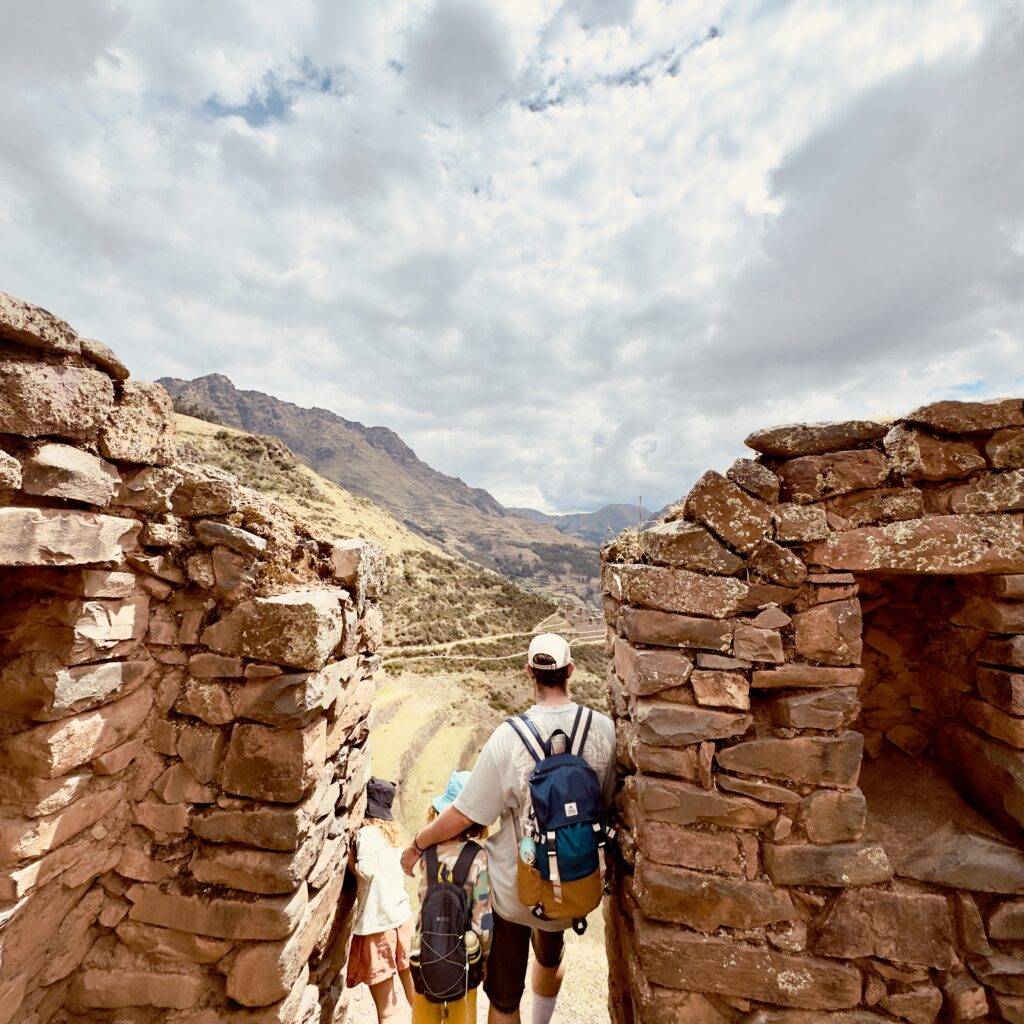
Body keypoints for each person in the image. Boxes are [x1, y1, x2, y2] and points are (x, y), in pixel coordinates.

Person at [401, 634, 616, 1024]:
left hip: (517, 894)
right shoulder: (603, 730)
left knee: (503, 998)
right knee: (552, 957)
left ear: (528, 673)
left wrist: (418, 844)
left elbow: (465, 814)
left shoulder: (509, 737)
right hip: (577, 887)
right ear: (570, 671)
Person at [411, 771, 493, 1024]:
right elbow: (484, 920)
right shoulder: (479, 859)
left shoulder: (428, 856)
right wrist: (485, 960)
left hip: (425, 952)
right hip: (464, 959)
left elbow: (424, 901)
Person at [347, 777, 416, 1022]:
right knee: (417, 999)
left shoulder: (366, 834)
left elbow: (367, 870)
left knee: (386, 1011)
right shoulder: (395, 837)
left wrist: (351, 864)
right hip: (402, 921)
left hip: (378, 927)